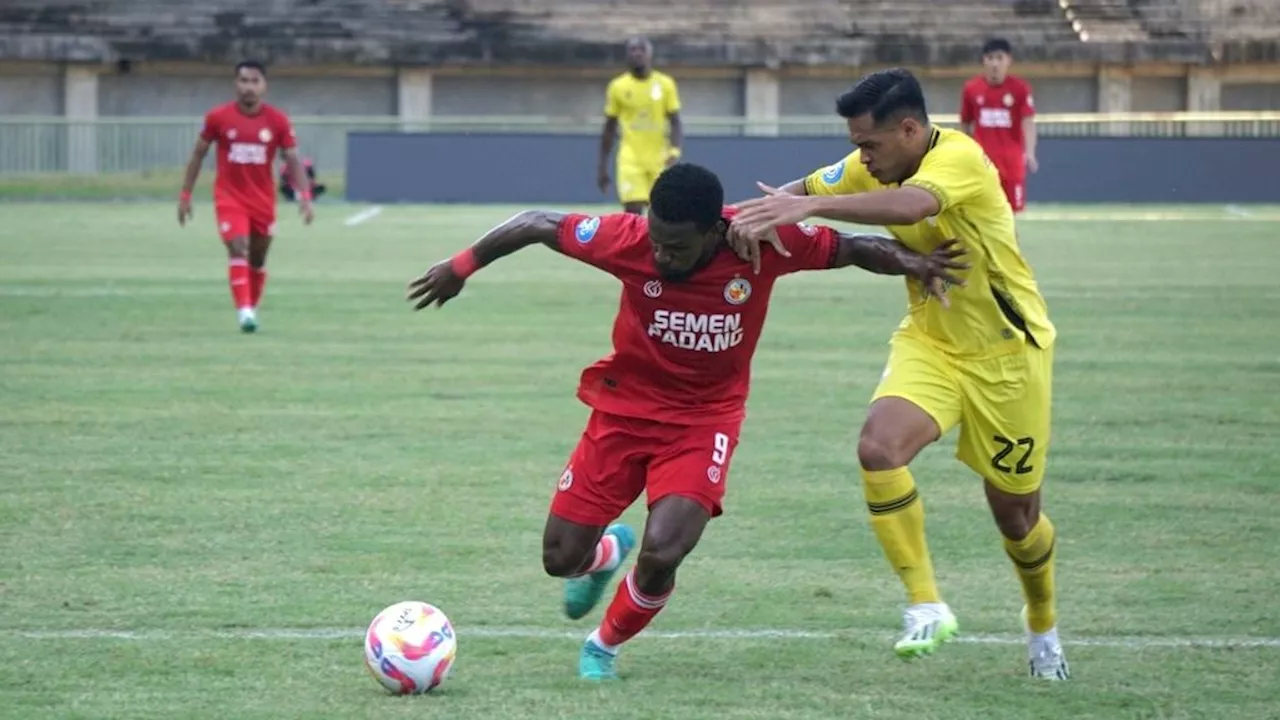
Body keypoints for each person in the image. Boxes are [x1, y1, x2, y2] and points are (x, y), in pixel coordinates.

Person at [406, 162, 966, 681]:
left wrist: (915, 263)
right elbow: (534, 224)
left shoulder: (760, 243)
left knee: (665, 550)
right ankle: (604, 555)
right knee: (560, 560)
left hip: (704, 423)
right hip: (623, 413)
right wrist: (460, 268)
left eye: (675, 247)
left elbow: (850, 248)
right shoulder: (628, 242)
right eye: (655, 241)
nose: (661, 257)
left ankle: (603, 646)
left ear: (713, 232)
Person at [729, 68, 1067, 680]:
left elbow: (913, 203)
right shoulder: (873, 164)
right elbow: (793, 191)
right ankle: (926, 604)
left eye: (870, 145)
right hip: (931, 342)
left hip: (1009, 358)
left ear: (911, 129)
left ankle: (1042, 624)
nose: (861, 157)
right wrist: (744, 221)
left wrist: (810, 207)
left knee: (1016, 518)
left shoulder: (960, 157)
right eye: (857, 145)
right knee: (877, 448)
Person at [178, 60, 314, 333]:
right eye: (243, 81)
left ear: (264, 86)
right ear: (235, 84)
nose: (248, 87)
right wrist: (185, 194)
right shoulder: (218, 118)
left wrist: (305, 195)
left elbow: (292, 159)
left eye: (254, 81)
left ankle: (251, 305)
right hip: (230, 197)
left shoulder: (277, 120)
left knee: (259, 259)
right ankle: (245, 312)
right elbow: (198, 155)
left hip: (263, 199)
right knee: (238, 247)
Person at [597, 37, 683, 214]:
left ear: (650, 54)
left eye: (641, 49)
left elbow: (675, 121)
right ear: (627, 55)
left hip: (659, 160)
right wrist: (602, 167)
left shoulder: (665, 84)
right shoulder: (618, 86)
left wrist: (675, 150)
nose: (637, 53)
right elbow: (609, 128)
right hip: (630, 160)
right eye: (632, 50)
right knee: (633, 212)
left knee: (660, 213)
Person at [960, 38, 1038, 213]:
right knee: (981, 212)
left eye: (999, 58)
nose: (995, 63)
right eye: (990, 58)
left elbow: (1028, 121)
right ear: (984, 60)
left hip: (1012, 163)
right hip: (983, 163)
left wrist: (1030, 152)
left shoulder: (1020, 88)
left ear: (1008, 60)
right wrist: (966, 152)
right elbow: (965, 123)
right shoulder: (971, 89)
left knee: (1012, 214)